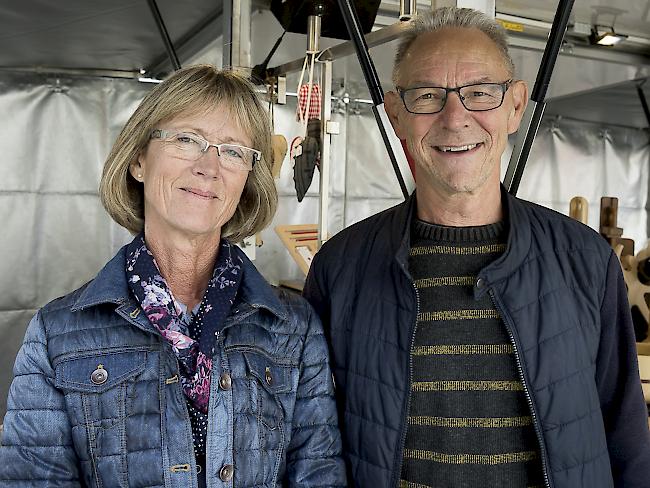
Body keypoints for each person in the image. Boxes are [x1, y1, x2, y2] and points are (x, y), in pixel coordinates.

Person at [303, 7, 650, 488]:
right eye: (427, 95)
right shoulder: (341, 268)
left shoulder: (585, 261)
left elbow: (626, 437)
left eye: (480, 93)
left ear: (515, 107)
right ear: (396, 114)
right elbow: (314, 446)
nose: (455, 117)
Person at [0, 65, 346, 487]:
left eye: (232, 151)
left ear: (246, 182)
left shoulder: (293, 327)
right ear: (139, 160)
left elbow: (318, 475)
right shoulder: (58, 332)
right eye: (186, 139)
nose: (209, 166)